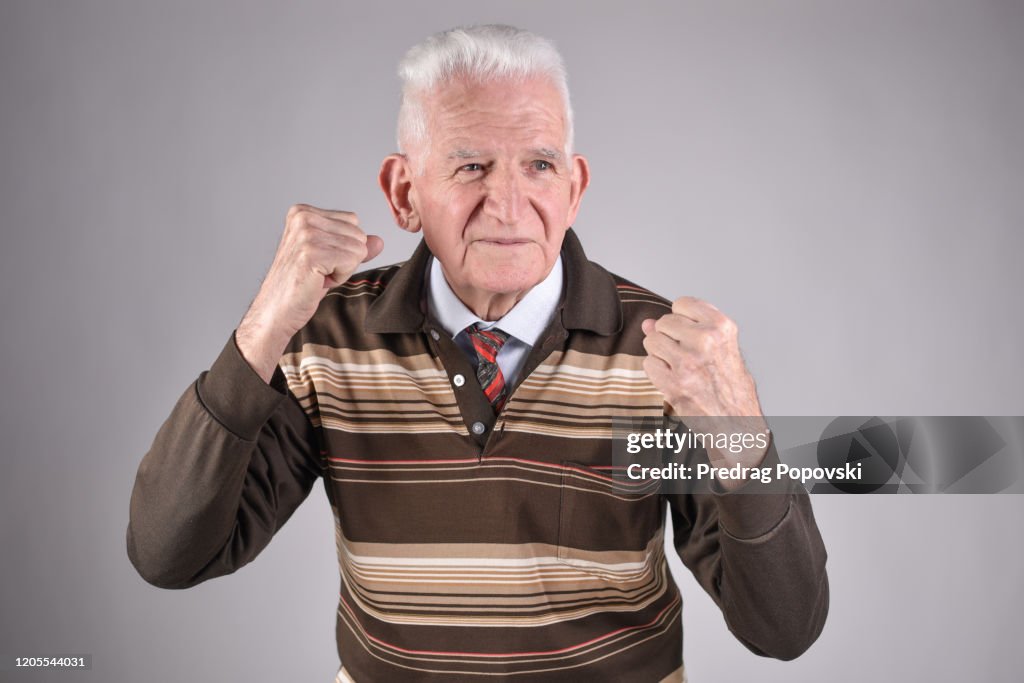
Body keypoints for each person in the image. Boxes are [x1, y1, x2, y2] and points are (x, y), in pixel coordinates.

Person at [128, 24, 828, 682]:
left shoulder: (661, 356)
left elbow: (785, 627)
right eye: (471, 166)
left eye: (539, 165)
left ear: (575, 187)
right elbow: (169, 553)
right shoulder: (325, 335)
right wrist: (259, 333)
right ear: (404, 193)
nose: (509, 204)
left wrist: (744, 436)